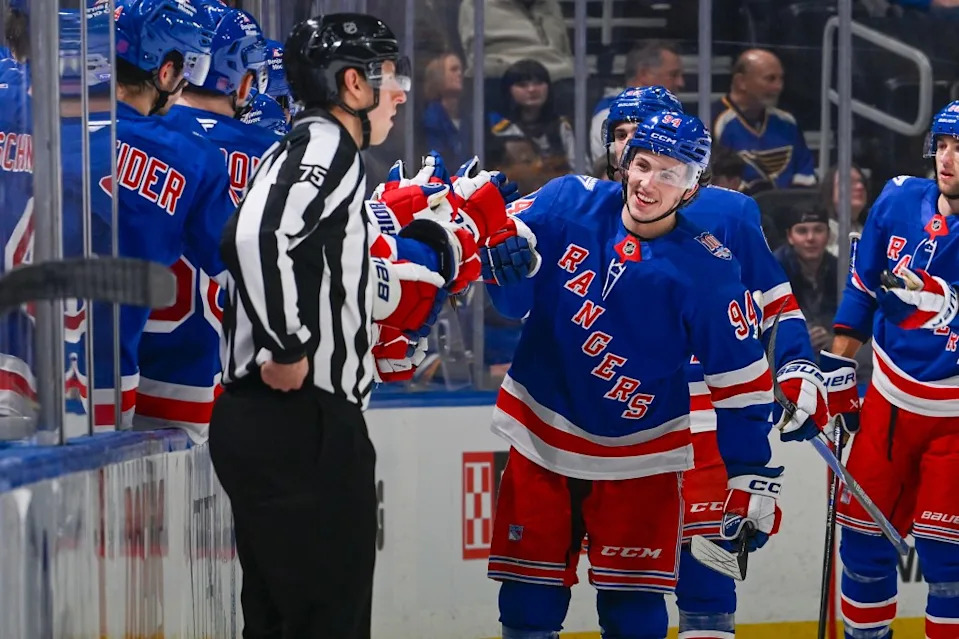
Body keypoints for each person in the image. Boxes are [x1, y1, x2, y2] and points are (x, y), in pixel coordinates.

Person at [208, 14, 504, 638]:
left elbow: (336, 270)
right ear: (350, 85)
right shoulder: (325, 145)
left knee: (287, 617)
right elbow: (258, 235)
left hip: (288, 422)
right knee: (326, 619)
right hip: (296, 418)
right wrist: (286, 343)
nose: (399, 90)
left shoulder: (310, 150)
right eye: (387, 74)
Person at [478, 109, 803, 639]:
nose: (649, 184)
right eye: (643, 165)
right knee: (526, 603)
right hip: (542, 432)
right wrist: (498, 261)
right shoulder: (566, 201)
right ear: (624, 162)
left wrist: (749, 477)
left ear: (693, 187)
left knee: (634, 612)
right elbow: (511, 294)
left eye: (669, 174)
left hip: (643, 453)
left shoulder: (710, 270)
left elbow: (740, 385)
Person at [599, 86, 827, 639]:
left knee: (706, 577)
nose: (635, 148)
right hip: (620, 424)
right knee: (628, 586)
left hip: (704, 417)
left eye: (648, 134)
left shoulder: (728, 211)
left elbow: (778, 305)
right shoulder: (589, 211)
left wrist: (797, 368)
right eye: (625, 137)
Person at [827, 100, 959, 639]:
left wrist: (946, 300)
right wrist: (835, 370)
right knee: (860, 546)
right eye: (944, 145)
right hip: (887, 402)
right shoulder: (899, 197)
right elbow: (863, 286)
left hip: (954, 419)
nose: (947, 159)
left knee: (948, 564)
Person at [73, 0, 235, 429]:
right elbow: (239, 269)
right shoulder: (190, 155)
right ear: (165, 72)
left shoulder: (29, 120)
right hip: (102, 380)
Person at [130, 2, 275, 441]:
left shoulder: (135, 129)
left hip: (114, 369)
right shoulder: (273, 154)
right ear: (247, 82)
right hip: (206, 389)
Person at [711, 49, 816, 191]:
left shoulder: (787, 122)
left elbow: (805, 170)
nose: (778, 87)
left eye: (781, 79)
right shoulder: (716, 122)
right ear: (741, 81)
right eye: (770, 79)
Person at [589, 40, 684, 163]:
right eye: (673, 75)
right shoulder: (612, 116)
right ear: (644, 74)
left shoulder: (667, 116)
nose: (681, 83)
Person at [773, 204, 838, 353]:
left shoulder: (839, 268)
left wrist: (832, 337)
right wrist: (799, 336)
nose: (810, 238)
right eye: (802, 231)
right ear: (790, 236)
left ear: (829, 235)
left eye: (818, 230)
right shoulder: (774, 269)